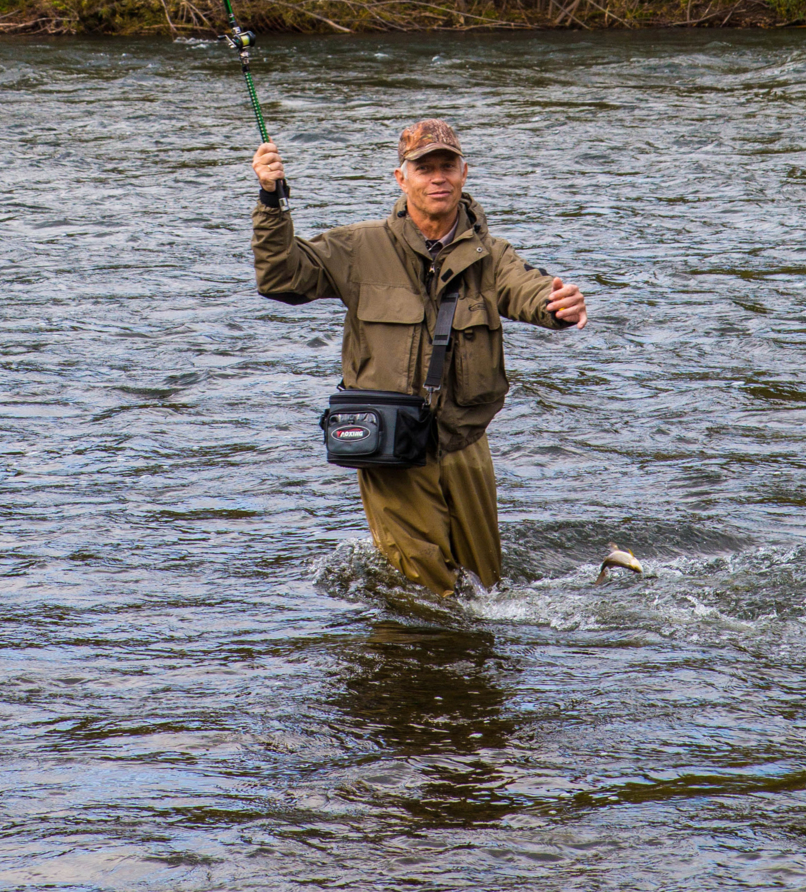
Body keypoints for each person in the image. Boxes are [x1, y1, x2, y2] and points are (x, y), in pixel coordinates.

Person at [250, 118, 587, 595]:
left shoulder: (493, 255)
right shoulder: (357, 247)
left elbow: (529, 290)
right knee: (432, 589)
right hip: (391, 444)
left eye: (446, 166)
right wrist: (270, 200)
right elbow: (280, 277)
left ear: (464, 173)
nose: (437, 177)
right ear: (400, 177)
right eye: (424, 167)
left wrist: (558, 307)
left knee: (486, 588)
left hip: (464, 440)